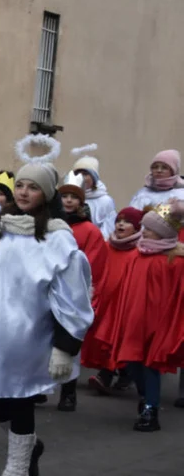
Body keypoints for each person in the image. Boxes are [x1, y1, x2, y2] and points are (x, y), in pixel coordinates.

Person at [0, 134, 94, 476]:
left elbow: (74, 299)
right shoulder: (1, 228)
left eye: (32, 187)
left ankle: (16, 474)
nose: (22, 192)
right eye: (19, 184)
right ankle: (29, 447)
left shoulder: (57, 240)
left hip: (32, 335)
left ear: (46, 194)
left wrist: (66, 347)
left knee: (19, 402)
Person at [106, 202, 184, 432]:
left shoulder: (175, 261)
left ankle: (151, 409)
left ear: (163, 232)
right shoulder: (137, 255)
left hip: (157, 324)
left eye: (150, 227)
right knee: (131, 363)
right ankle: (145, 398)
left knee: (150, 366)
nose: (144, 230)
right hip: (134, 321)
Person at [54, 171, 108, 412]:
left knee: (69, 342)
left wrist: (85, 292)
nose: (67, 201)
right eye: (63, 196)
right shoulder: (50, 225)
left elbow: (93, 263)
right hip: (48, 289)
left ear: (81, 202)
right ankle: (37, 388)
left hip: (73, 293)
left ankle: (68, 392)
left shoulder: (90, 231)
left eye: (72, 197)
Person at [83, 208, 143, 395]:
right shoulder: (107, 246)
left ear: (137, 228)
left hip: (123, 304)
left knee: (116, 337)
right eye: (119, 221)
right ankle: (123, 373)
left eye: (127, 222)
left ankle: (107, 375)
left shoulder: (138, 252)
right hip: (106, 300)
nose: (121, 225)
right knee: (104, 337)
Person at [71, 144, 116, 239]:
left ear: (93, 177)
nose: (81, 177)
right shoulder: (69, 197)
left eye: (85, 174)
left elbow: (108, 228)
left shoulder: (105, 201)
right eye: (77, 174)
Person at [129, 149, 184, 215]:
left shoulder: (181, 194)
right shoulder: (142, 193)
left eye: (164, 168)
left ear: (173, 171)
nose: (159, 170)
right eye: (155, 167)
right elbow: (130, 217)